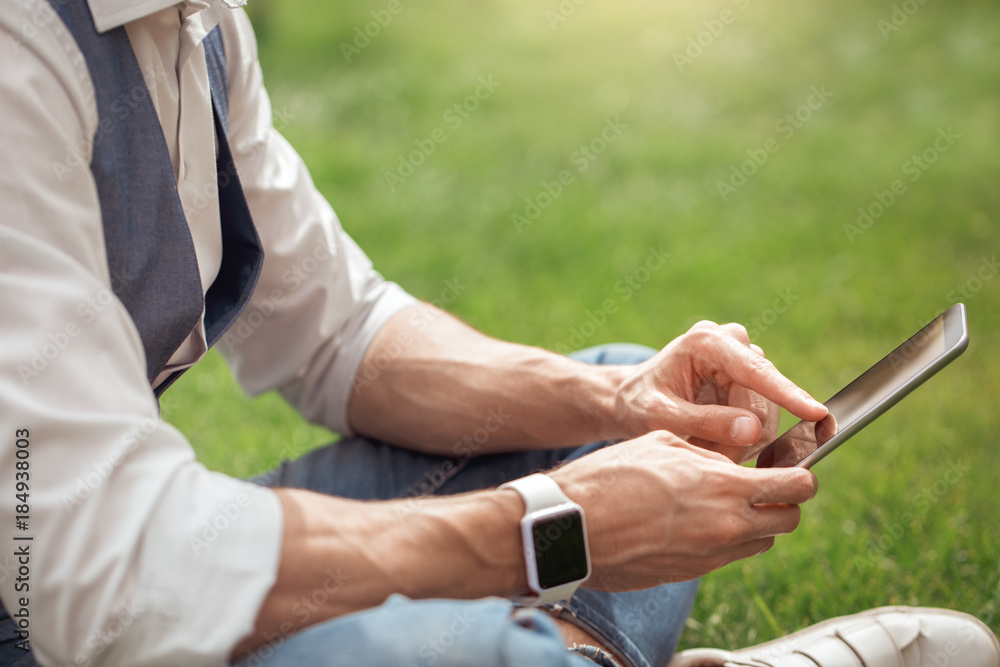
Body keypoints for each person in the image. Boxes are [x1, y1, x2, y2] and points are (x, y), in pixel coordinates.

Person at [0, 0, 997, 666]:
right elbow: (106, 570)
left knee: (633, 431)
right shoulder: (21, 55)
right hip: (59, 604)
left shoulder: (192, 20)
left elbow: (339, 333)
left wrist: (618, 403)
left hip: (112, 555)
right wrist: (544, 528)